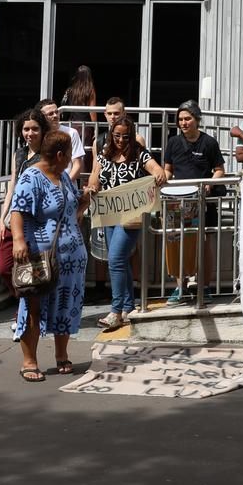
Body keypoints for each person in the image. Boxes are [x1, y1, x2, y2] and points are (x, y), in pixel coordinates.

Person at [10, 131, 88, 383]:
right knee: (33, 307)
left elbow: (72, 207)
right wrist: (19, 241)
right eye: (69, 156)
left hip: (71, 257)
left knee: (65, 305)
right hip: (39, 256)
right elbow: (17, 210)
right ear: (59, 155)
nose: (71, 161)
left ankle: (61, 354)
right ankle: (29, 361)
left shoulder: (64, 176)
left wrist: (85, 199)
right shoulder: (31, 177)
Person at [85, 114, 167, 329]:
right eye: (117, 136)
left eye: (125, 136)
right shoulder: (104, 153)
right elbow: (95, 176)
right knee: (121, 261)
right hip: (109, 214)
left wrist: (159, 175)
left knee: (115, 259)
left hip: (130, 217)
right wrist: (93, 187)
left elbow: (157, 170)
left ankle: (116, 311)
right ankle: (129, 307)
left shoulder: (139, 154)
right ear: (111, 135)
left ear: (132, 137)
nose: (121, 140)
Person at [162, 101, 226, 304]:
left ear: (197, 119)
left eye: (187, 118)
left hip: (202, 202)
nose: (183, 123)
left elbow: (219, 170)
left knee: (204, 243)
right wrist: (163, 182)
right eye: (180, 119)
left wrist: (209, 184)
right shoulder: (173, 142)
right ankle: (180, 288)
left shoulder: (209, 142)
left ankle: (204, 286)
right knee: (177, 243)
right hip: (177, 202)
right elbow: (168, 169)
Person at [0, 108, 50, 299]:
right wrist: (2, 218)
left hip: (34, 222)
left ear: (43, 130)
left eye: (35, 129)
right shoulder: (19, 154)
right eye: (26, 129)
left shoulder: (47, 156)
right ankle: (21, 303)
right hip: (13, 218)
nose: (30, 133)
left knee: (33, 270)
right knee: (4, 267)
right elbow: (12, 186)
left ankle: (26, 312)